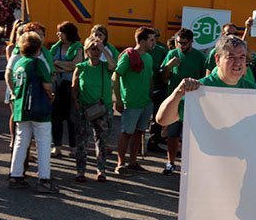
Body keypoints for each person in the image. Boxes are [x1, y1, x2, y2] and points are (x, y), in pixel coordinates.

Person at [156, 35, 256, 128]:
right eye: (231, 57)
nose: (238, 63)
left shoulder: (252, 91)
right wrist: (179, 92)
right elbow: (163, 120)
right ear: (217, 59)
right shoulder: (199, 89)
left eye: (242, 57)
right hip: (208, 159)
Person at [8, 32, 56, 192]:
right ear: (38, 47)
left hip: (21, 107)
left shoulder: (19, 62)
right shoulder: (38, 63)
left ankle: (15, 175)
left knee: (21, 141)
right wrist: (51, 96)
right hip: (39, 107)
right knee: (43, 143)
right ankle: (44, 179)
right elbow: (47, 86)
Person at [159, 28, 206, 175]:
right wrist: (168, 67)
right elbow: (164, 78)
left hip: (193, 102)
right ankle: (170, 162)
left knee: (192, 137)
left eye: (184, 43)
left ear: (192, 42)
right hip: (174, 100)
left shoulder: (200, 57)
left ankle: (190, 166)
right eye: (178, 43)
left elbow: (204, 79)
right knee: (172, 134)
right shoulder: (172, 54)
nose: (181, 46)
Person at [112, 26, 156, 175]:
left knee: (139, 132)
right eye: (151, 39)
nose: (154, 42)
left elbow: (149, 77)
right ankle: (120, 164)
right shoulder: (128, 56)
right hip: (131, 102)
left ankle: (133, 162)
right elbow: (116, 76)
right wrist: (118, 100)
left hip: (145, 102)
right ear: (142, 41)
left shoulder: (149, 57)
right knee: (126, 133)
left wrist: (150, 96)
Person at [71, 37, 114, 183]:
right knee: (82, 142)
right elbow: (74, 87)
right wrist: (76, 104)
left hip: (103, 109)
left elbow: (113, 65)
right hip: (85, 109)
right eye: (92, 49)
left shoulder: (104, 66)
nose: (95, 52)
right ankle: (80, 171)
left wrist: (103, 50)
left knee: (102, 141)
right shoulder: (81, 67)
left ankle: (101, 170)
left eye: (97, 49)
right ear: (86, 51)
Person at [49, 21, 82, 156]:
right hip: (56, 85)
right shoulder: (55, 47)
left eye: (60, 32)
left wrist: (58, 64)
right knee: (55, 117)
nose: (58, 34)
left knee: (71, 117)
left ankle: (73, 148)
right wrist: (64, 66)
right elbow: (50, 64)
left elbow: (76, 65)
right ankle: (57, 146)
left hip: (71, 86)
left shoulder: (78, 47)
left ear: (68, 33)